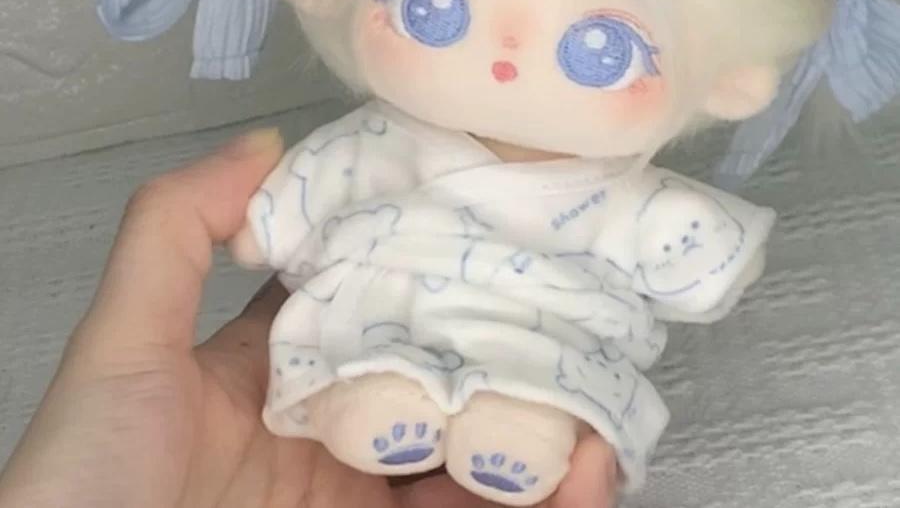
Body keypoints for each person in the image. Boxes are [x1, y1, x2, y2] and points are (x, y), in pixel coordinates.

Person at [0, 129, 615, 508]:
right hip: (384, 302)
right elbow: (325, 181)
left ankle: (510, 422)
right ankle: (386, 405)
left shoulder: (614, 183)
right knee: (365, 354)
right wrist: (276, 226)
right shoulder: (383, 137)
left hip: (531, 324)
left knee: (527, 381)